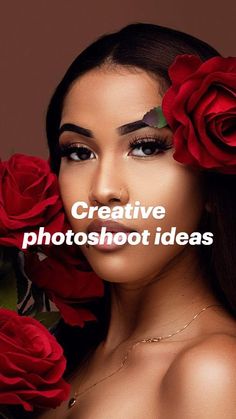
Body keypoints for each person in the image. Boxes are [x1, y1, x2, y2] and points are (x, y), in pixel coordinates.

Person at [37, 23, 236, 418]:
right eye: (78, 152)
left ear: (212, 183)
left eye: (145, 147)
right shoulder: (59, 357)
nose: (104, 189)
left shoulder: (213, 373)